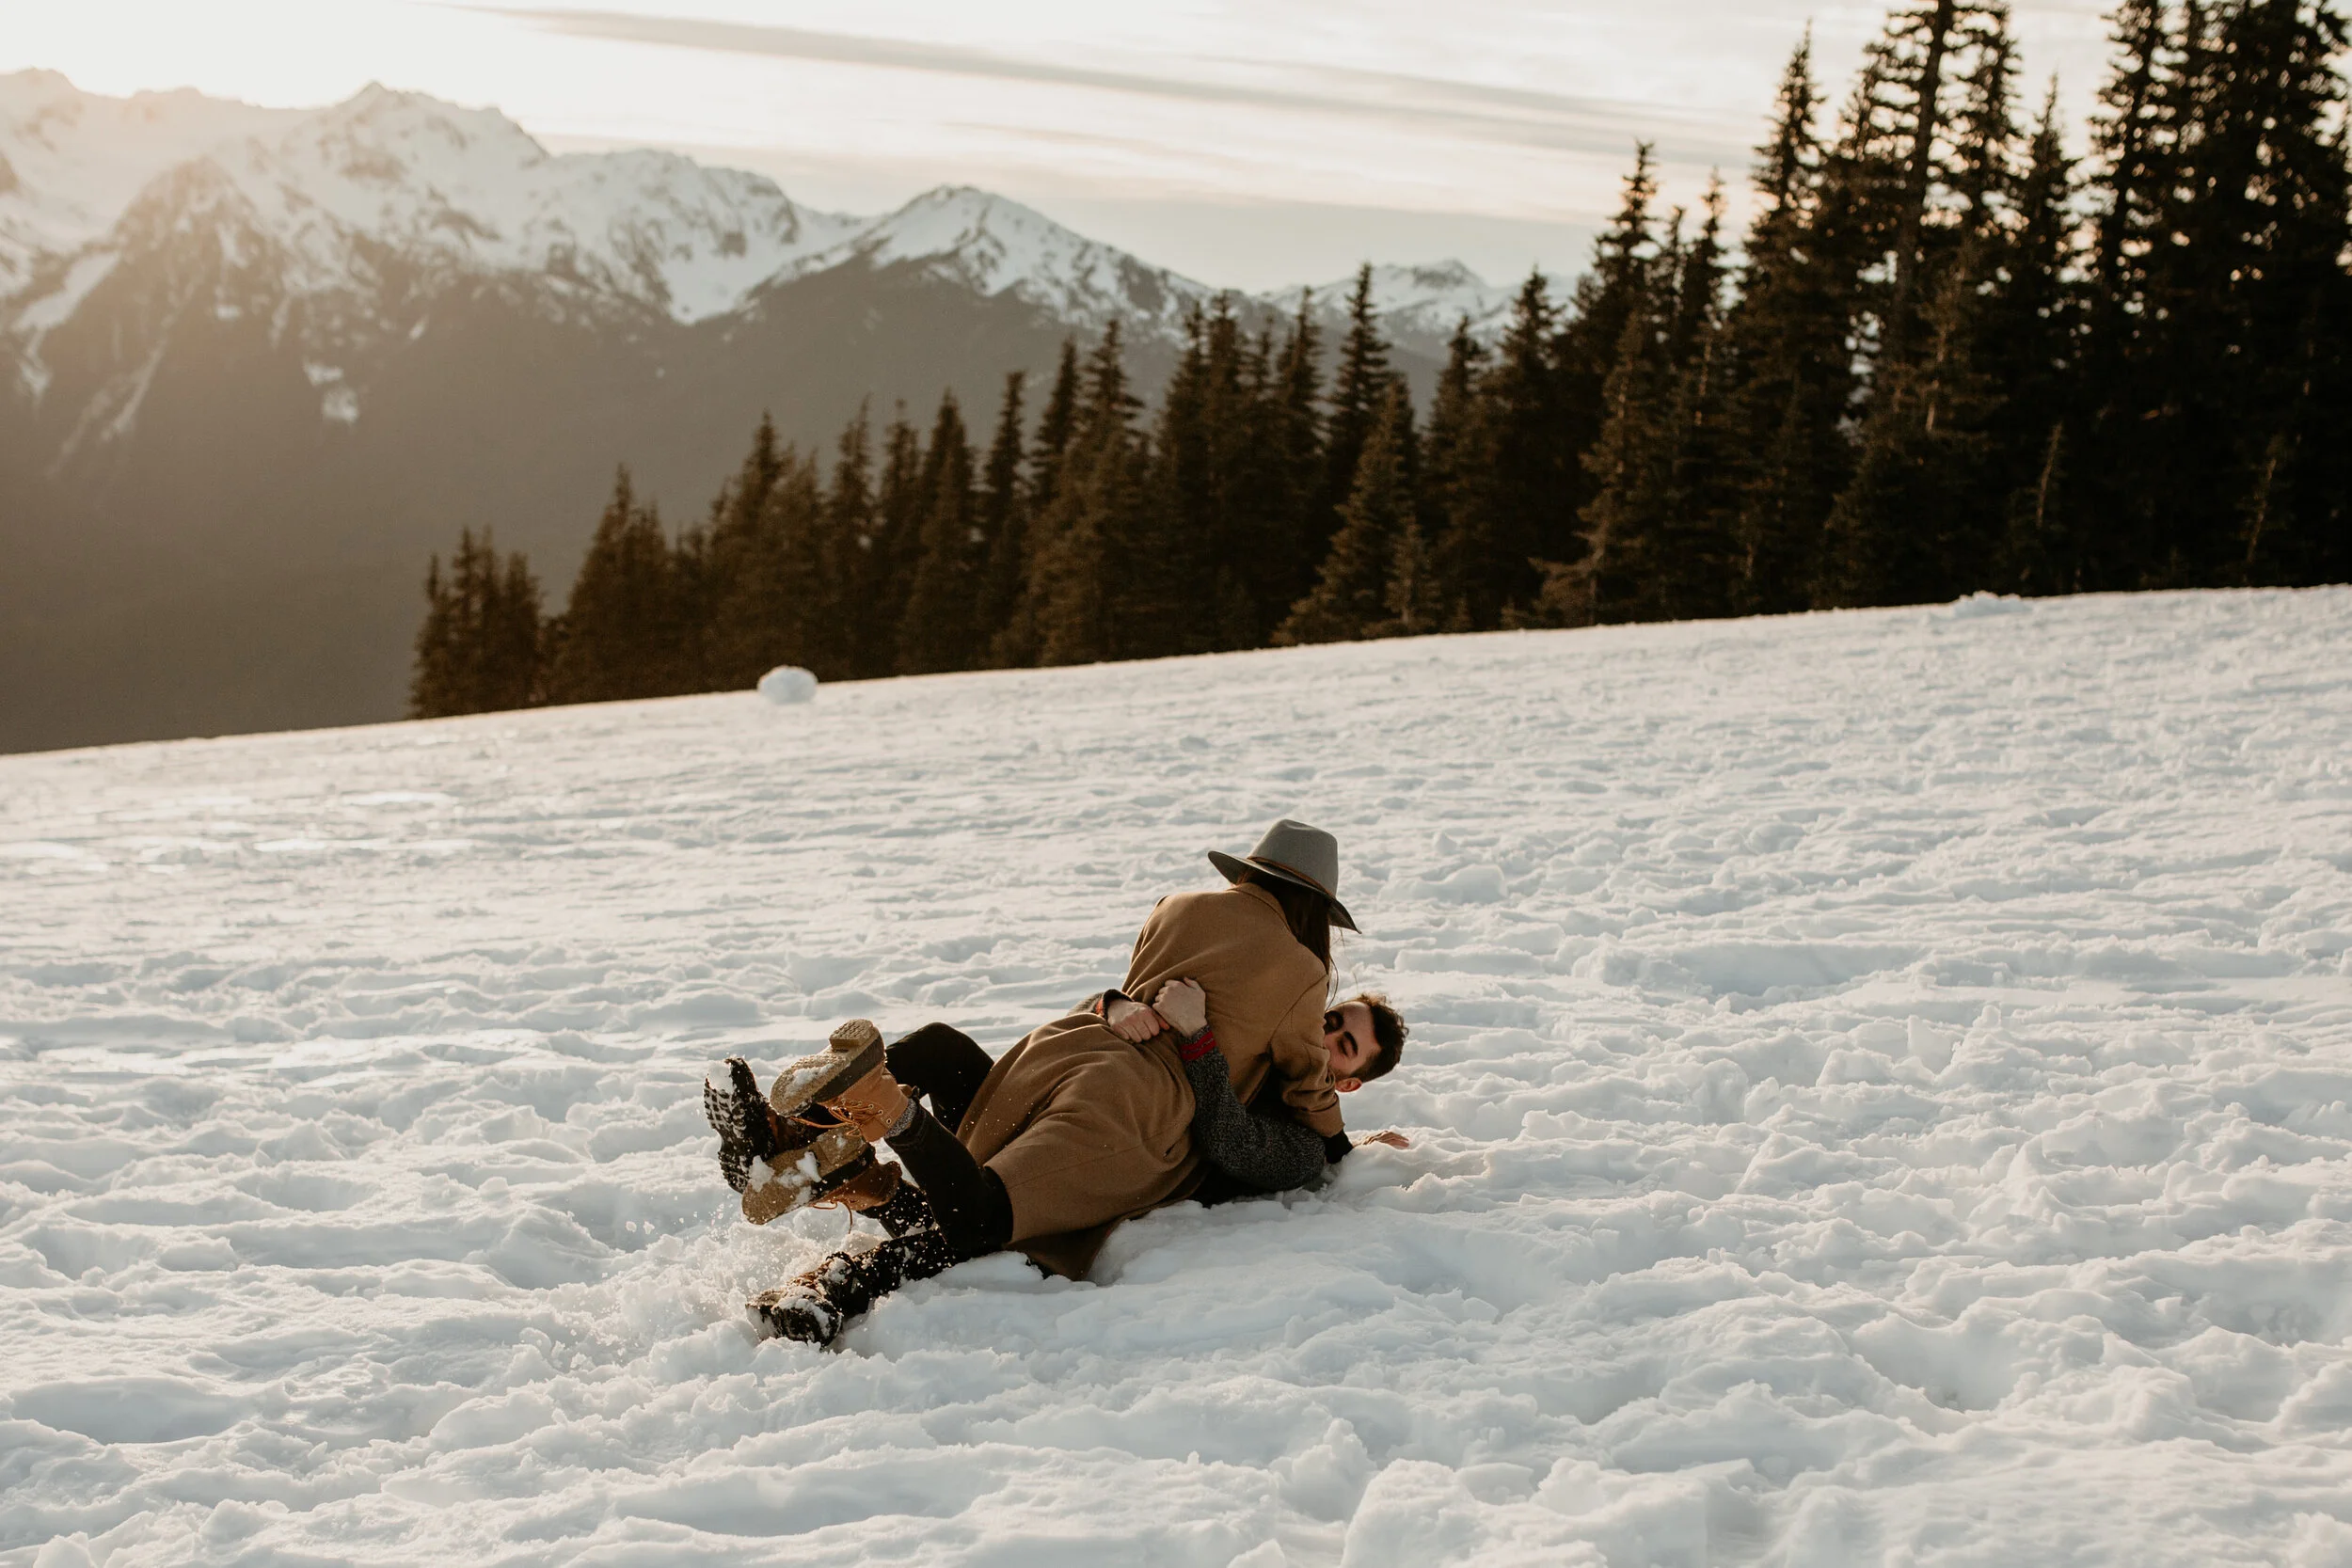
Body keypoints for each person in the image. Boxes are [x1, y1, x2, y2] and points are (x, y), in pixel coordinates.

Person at [707, 819, 1409, 1343]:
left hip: (1067, 1047)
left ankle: (808, 1140)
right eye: (1334, 1023)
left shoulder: (1181, 907)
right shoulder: (1297, 981)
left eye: (1344, 1049)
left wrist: (1117, 1004)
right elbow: (1300, 1102)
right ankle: (882, 1119)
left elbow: (1242, 1107)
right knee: (990, 1220)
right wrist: (1342, 1148)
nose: (1324, 1042)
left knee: (949, 1060)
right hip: (1126, 1110)